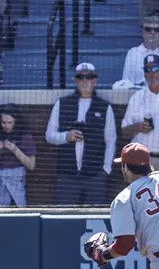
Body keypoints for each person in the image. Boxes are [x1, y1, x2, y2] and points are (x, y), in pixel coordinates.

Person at [44, 61, 116, 206]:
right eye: (80, 77)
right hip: (67, 174)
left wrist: (106, 169)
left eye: (89, 77)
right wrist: (65, 136)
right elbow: (49, 135)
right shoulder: (62, 103)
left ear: (95, 80)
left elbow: (111, 141)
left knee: (96, 218)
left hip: (95, 175)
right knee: (64, 216)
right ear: (75, 80)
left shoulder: (104, 106)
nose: (84, 81)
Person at [0, 111, 36, 206]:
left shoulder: (26, 137)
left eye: (10, 123)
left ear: (16, 122)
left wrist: (15, 150)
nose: (6, 126)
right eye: (3, 122)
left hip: (16, 182)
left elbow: (31, 165)